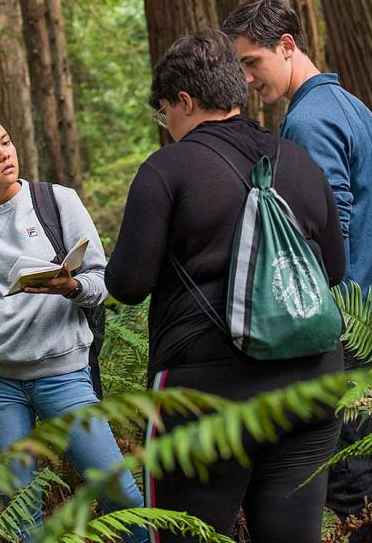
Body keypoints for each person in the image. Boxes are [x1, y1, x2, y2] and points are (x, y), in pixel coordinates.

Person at [105, 30, 345, 543]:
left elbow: (127, 284)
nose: (166, 125)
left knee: (184, 534)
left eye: (164, 111)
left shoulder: (166, 169)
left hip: (205, 393)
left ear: (185, 101)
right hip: (311, 383)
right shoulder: (297, 160)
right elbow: (334, 271)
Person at [0, 112, 147, 543]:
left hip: (63, 374)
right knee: (18, 509)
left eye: (6, 142)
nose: (3, 154)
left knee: (118, 490)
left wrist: (69, 286)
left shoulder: (57, 202)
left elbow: (101, 284)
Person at [223, 0, 372, 528]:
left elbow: (327, 233)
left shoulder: (307, 123)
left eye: (253, 62)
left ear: (287, 45)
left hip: (345, 330)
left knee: (354, 485)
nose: (249, 80)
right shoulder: (354, 107)